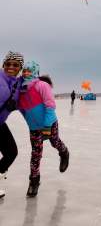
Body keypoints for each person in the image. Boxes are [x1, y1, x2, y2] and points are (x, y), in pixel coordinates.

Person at [18, 61, 69, 198]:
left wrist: (47, 126)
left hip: (49, 123)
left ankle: (64, 153)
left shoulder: (42, 85)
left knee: (54, 142)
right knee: (36, 154)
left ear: (35, 72)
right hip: (34, 127)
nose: (26, 73)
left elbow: (50, 105)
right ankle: (34, 181)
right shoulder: (20, 89)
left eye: (29, 71)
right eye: (24, 71)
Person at [0, 51, 24, 199]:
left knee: (11, 152)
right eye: (8, 64)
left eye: (15, 65)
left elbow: (32, 81)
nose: (11, 67)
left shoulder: (17, 82)